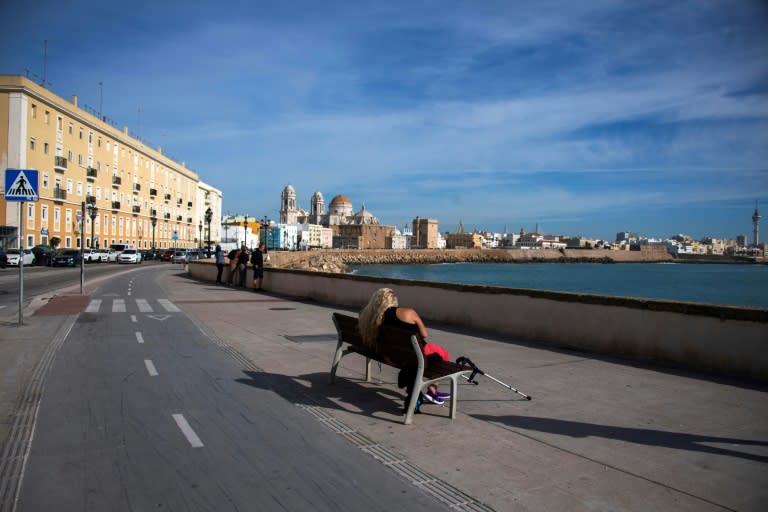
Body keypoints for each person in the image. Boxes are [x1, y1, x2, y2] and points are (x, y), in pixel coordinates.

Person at [358, 288, 450, 410]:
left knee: (427, 351)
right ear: (394, 301)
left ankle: (431, 391)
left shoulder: (374, 317)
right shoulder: (409, 312)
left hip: (390, 356)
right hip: (413, 356)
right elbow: (424, 334)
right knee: (443, 354)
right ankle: (432, 389)